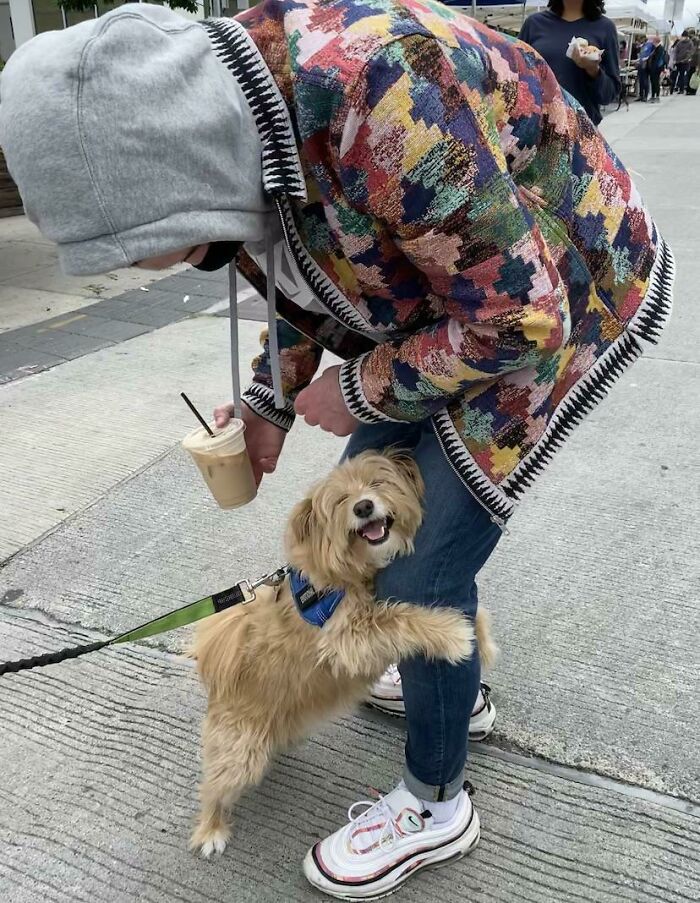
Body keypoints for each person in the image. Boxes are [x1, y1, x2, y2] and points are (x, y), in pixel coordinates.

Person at [0, 2, 674, 897]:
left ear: (172, 169)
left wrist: (355, 387)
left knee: (417, 573)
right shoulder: (230, 124)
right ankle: (457, 688)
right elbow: (295, 268)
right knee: (365, 511)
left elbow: (523, 318)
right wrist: (270, 398)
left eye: (135, 242)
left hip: (562, 289)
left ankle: (436, 802)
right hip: (446, 306)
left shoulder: (384, 93)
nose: (137, 268)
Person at [519, 0, 620, 124]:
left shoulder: (605, 27)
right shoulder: (533, 23)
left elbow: (609, 95)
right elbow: (516, 75)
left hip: (581, 131)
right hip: (537, 127)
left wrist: (592, 70)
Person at [648, 37, 667, 103]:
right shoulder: (655, 48)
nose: (652, 42)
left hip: (656, 68)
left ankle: (657, 96)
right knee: (653, 82)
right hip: (653, 68)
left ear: (656, 42)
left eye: (653, 41)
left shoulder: (660, 49)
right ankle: (653, 96)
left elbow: (658, 59)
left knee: (656, 82)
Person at [636, 34, 655, 102]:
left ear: (644, 38)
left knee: (645, 80)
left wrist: (647, 58)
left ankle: (645, 96)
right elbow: (641, 54)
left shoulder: (650, 45)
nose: (640, 41)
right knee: (640, 80)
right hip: (641, 64)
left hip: (646, 64)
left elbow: (652, 53)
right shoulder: (642, 46)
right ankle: (641, 95)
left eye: (640, 39)